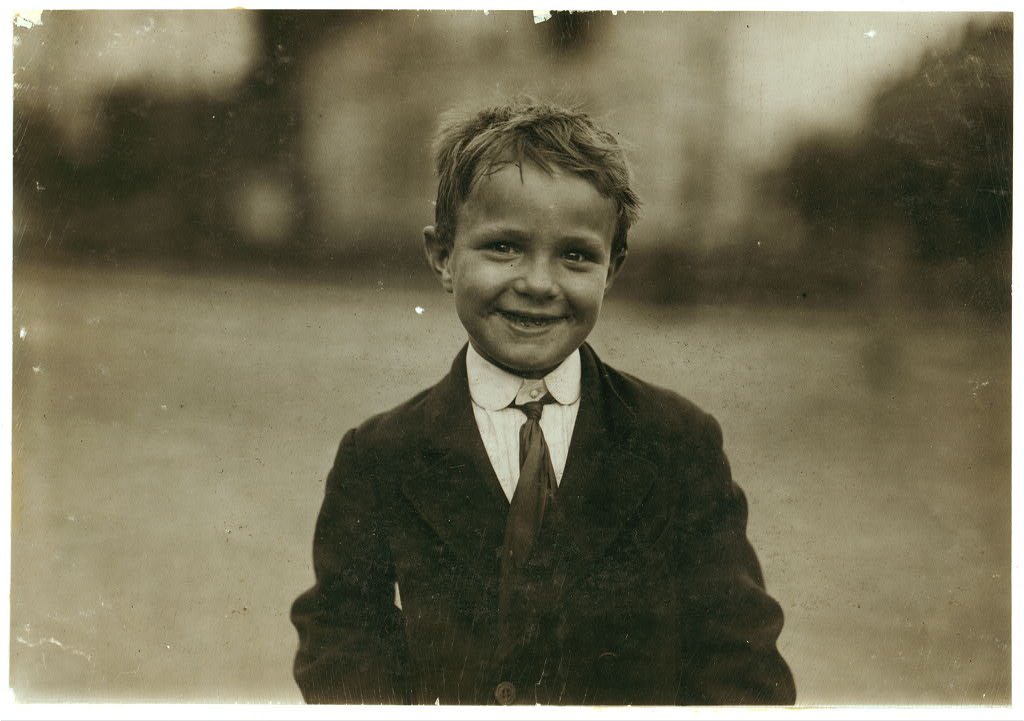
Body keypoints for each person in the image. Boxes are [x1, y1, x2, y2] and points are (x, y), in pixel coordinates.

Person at [290, 100, 796, 706]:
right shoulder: (379, 455)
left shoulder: (676, 440)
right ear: (443, 255)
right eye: (503, 247)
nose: (537, 282)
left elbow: (740, 660)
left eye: (576, 255)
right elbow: (342, 649)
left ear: (614, 268)